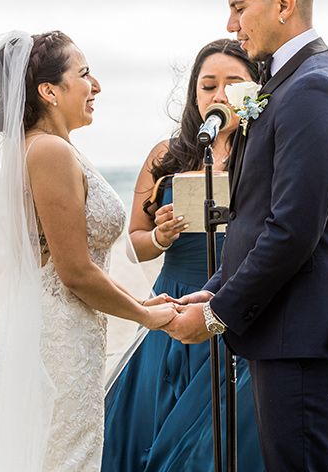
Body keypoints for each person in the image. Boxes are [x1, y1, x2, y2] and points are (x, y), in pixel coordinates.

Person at [165, 0, 328, 472]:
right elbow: (258, 218)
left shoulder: (314, 88)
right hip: (285, 330)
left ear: (283, 4)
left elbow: (293, 231)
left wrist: (216, 315)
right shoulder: (286, 84)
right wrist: (216, 284)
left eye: (239, 7)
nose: (231, 24)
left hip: (302, 333)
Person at [0, 30, 177, 472]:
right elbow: (74, 271)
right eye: (85, 74)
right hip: (60, 340)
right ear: (48, 91)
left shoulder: (47, 148)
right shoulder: (50, 152)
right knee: (64, 458)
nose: (96, 87)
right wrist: (145, 316)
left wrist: (140, 299)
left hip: (65, 330)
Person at [102, 39, 265, 471]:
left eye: (233, 83)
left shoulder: (266, 152)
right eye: (208, 85)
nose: (219, 95)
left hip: (237, 300)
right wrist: (160, 236)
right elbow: (132, 242)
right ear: (195, 94)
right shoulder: (167, 155)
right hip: (174, 299)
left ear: (254, 89)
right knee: (151, 427)